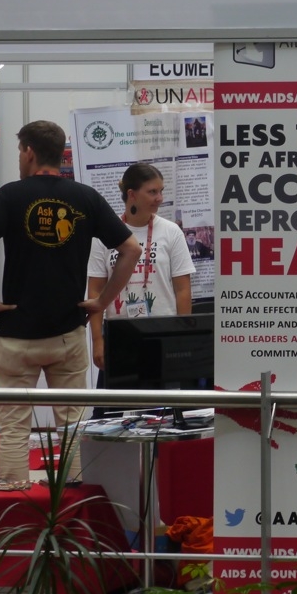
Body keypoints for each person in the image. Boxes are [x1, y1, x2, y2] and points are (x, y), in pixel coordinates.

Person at [0, 120, 141, 483]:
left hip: (16, 333)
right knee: (72, 424)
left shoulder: (9, 196)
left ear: (29, 152)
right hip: (67, 331)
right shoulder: (86, 197)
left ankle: (14, 496)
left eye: (19, 151)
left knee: (13, 426)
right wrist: (101, 301)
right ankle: (71, 498)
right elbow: (131, 249)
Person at [88, 162, 195, 416]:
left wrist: (183, 338)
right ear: (132, 194)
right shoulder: (105, 233)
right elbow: (95, 292)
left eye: (161, 191)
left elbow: (182, 290)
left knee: (163, 420)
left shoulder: (171, 232)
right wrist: (98, 341)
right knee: (114, 419)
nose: (160, 198)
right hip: (120, 337)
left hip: (162, 338)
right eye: (152, 192)